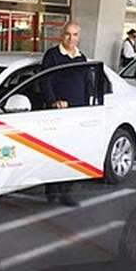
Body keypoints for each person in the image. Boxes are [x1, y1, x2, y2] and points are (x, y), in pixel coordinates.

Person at [40, 20, 88, 206]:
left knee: (73, 153)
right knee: (55, 153)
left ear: (79, 37)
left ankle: (67, 192)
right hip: (57, 113)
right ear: (62, 35)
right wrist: (54, 101)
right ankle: (52, 192)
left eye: (75, 35)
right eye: (68, 34)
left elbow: (85, 85)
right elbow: (45, 82)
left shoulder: (81, 58)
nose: (71, 38)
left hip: (76, 114)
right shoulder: (52, 55)